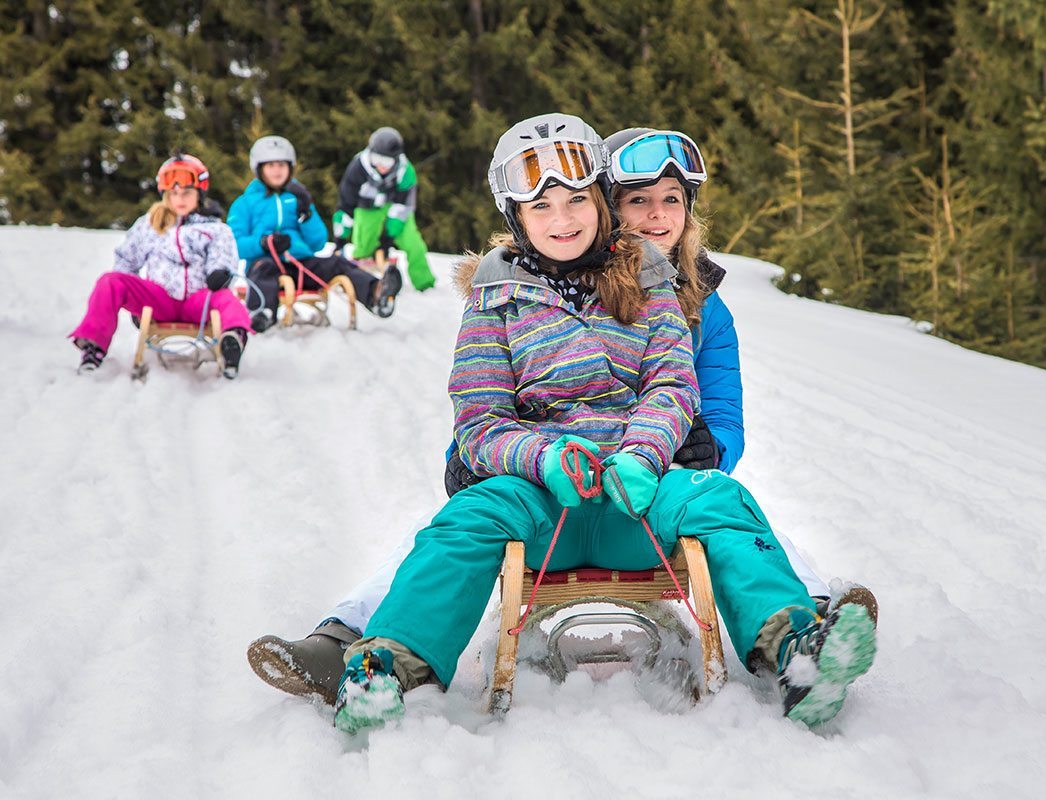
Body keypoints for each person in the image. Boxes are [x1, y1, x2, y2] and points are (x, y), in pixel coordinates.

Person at [245, 126, 876, 710]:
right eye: (541, 206)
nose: (562, 218)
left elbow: (674, 385)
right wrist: (537, 458)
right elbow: (480, 413)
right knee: (464, 520)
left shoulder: (654, 284)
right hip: (544, 501)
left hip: (644, 494)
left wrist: (649, 453)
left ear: (597, 204)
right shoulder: (496, 298)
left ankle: (800, 653)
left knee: (723, 500)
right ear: (516, 215)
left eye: (575, 201)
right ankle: (385, 663)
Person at [69, 153, 251, 378]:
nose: (180, 199)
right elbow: (127, 259)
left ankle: (233, 341)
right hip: (160, 300)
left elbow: (223, 257)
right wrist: (133, 294)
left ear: (200, 194)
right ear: (165, 195)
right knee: (110, 281)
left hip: (199, 301)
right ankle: (93, 348)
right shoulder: (149, 225)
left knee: (227, 299)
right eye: (173, 193)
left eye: (186, 193)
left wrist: (219, 273)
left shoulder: (215, 229)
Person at [227, 135, 402, 332]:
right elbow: (234, 244)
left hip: (300, 265)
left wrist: (306, 214)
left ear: (290, 167)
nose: (277, 170)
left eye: (282, 165)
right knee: (263, 270)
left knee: (337, 262)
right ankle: (261, 314)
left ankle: (376, 295)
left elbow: (318, 242)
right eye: (271, 165)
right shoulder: (244, 203)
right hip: (265, 265)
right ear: (259, 169)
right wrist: (263, 243)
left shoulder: (297, 199)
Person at [332, 127, 436, 292]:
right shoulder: (358, 168)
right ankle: (359, 279)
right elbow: (346, 206)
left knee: (413, 244)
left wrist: (388, 238)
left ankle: (425, 284)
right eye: (377, 159)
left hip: (397, 212)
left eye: (386, 161)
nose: (381, 166)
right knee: (364, 244)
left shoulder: (405, 172)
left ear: (395, 159)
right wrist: (341, 238)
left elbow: (403, 207)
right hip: (368, 210)